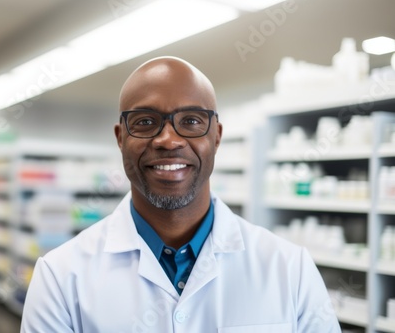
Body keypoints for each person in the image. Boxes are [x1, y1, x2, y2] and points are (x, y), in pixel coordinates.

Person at [20, 57, 341, 332]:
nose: (168, 140)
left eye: (190, 121)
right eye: (145, 122)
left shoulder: (289, 268)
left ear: (216, 136)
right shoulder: (61, 277)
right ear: (120, 138)